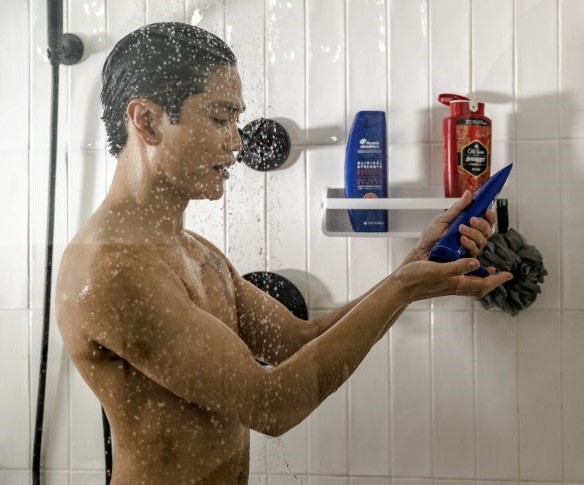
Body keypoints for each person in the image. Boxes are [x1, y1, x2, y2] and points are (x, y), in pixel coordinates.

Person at [56, 22, 512, 485]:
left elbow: (300, 338)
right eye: (219, 118)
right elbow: (271, 405)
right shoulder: (112, 270)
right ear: (148, 121)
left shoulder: (194, 251)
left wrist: (412, 269)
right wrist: (399, 290)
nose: (236, 141)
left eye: (236, 119)